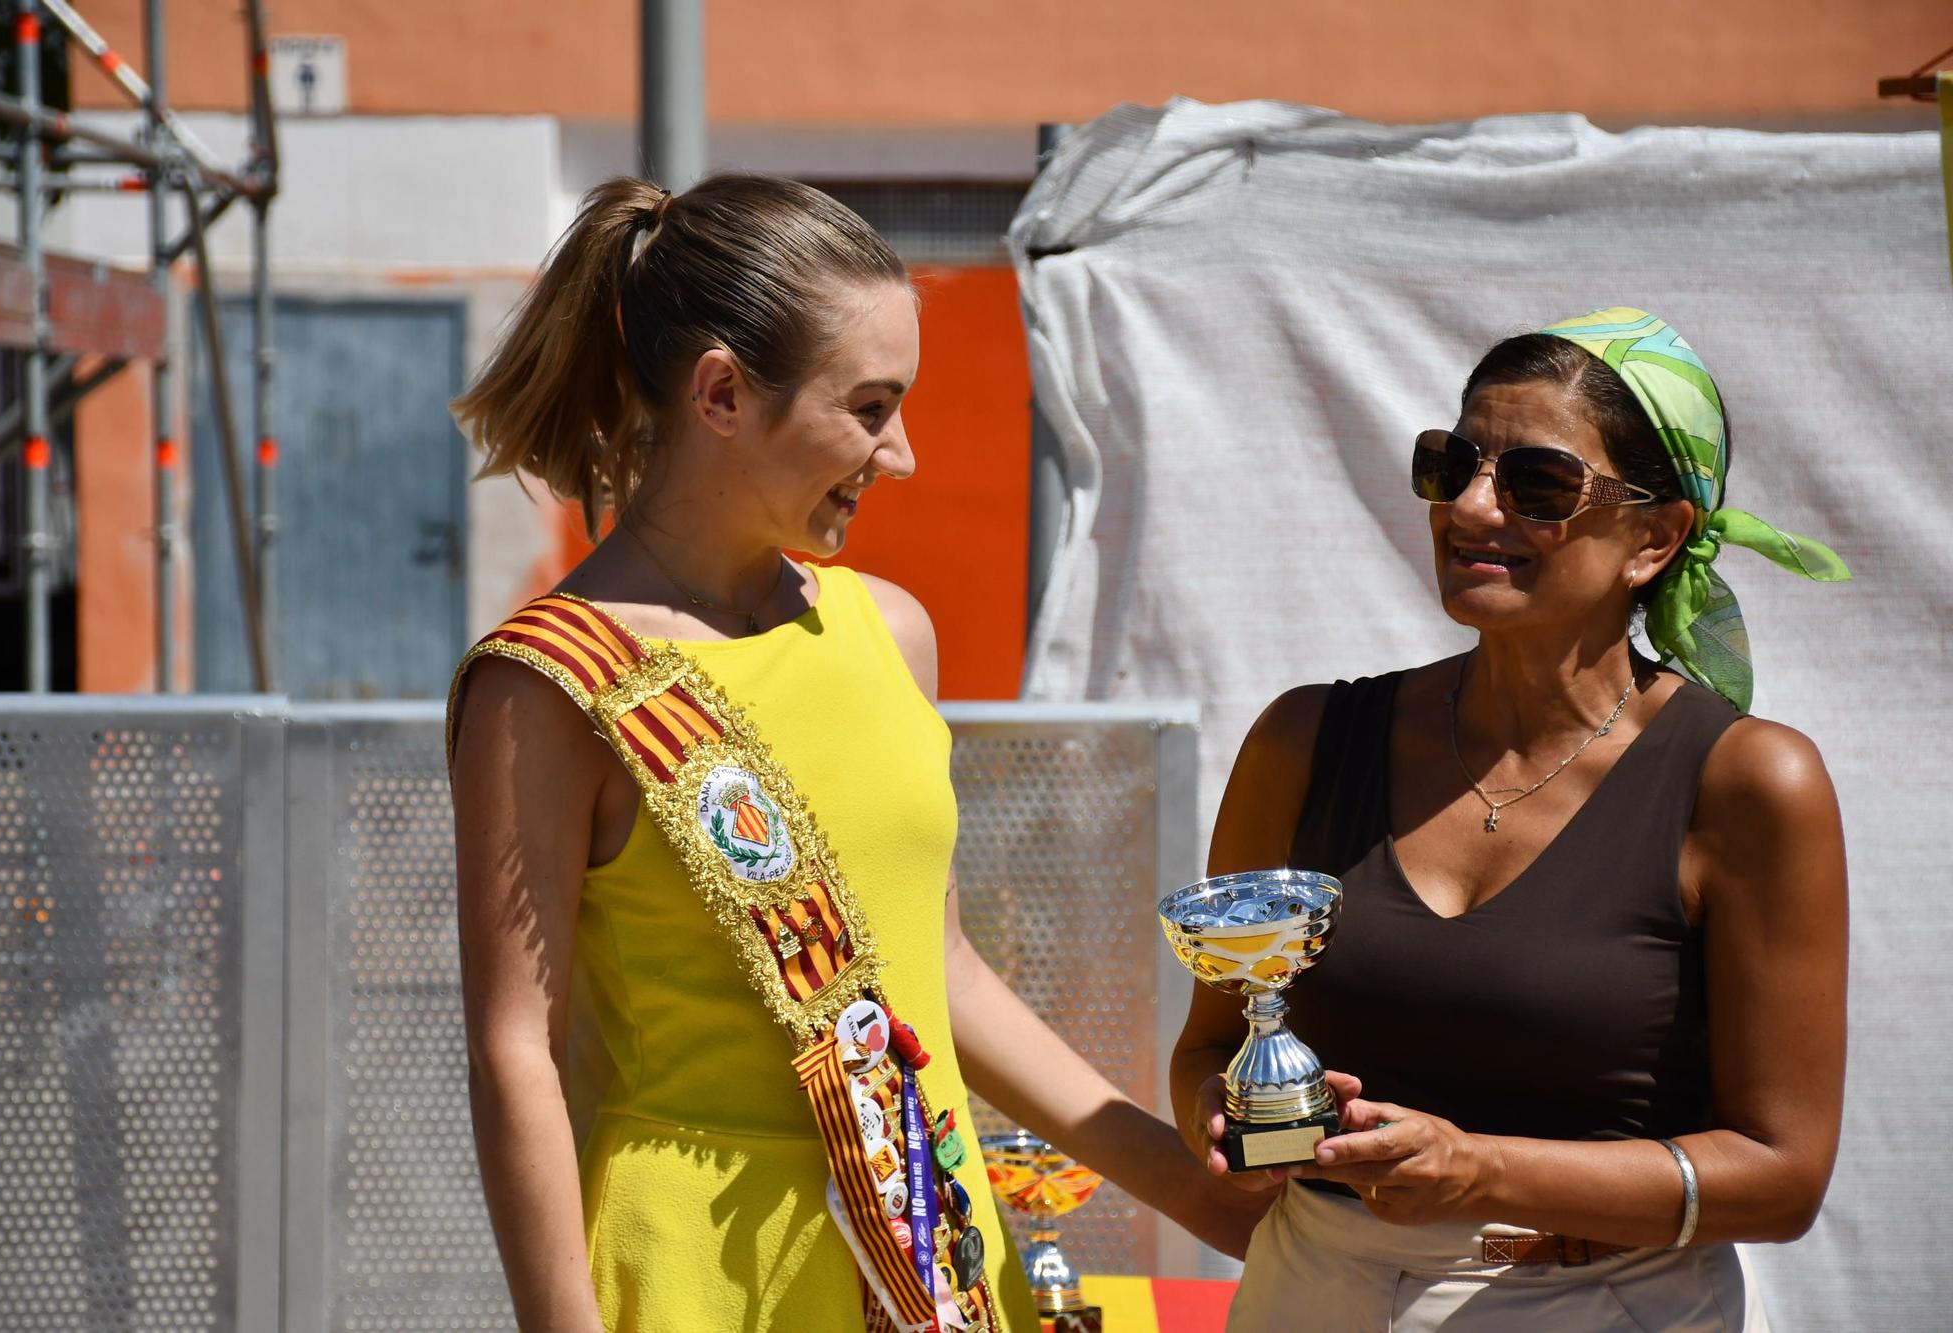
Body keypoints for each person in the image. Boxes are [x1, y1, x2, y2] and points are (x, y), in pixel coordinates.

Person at [446, 173, 1255, 1333]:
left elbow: (937, 970)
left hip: (932, 1251)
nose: (903, 453)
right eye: (869, 407)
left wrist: (1185, 1187)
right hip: (693, 1271)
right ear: (720, 392)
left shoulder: (891, 631)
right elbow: (514, 1051)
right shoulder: (546, 682)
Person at [1172, 308, 1851, 1330]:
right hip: (1307, 1289)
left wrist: (1480, 1170)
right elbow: (1207, 1047)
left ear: (1653, 537)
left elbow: (1779, 1176)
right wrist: (1224, 1119)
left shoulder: (1748, 780)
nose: (1471, 506)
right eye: (1450, 464)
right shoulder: (1304, 738)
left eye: (1536, 483)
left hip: (1601, 1301)